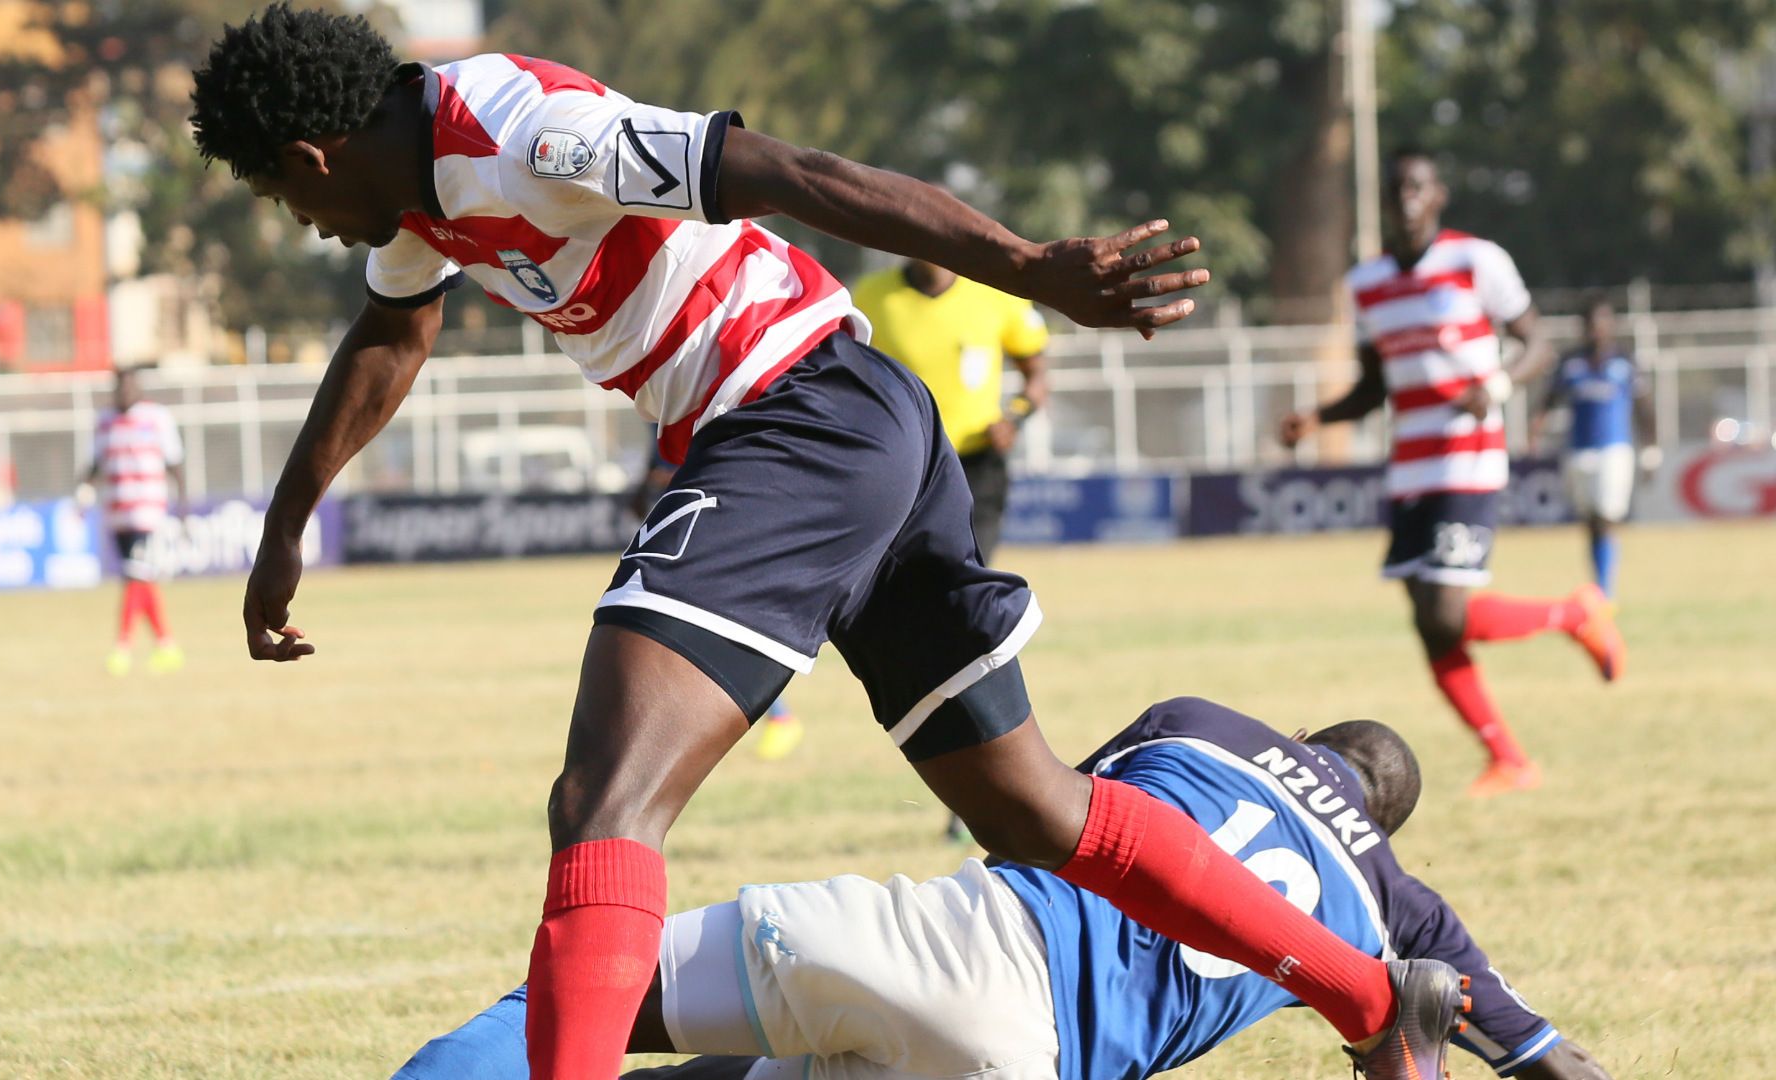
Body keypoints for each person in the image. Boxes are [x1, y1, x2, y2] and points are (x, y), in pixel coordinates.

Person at [192, 9, 1460, 1077]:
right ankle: (1370, 998)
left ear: (315, 152)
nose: (298, 221)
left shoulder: (523, 133)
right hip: (859, 424)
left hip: (791, 415)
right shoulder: (420, 202)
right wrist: (286, 527)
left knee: (604, 803)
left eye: (278, 192)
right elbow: (389, 338)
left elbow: (790, 173)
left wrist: (1027, 269)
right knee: (1037, 814)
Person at [392, 697, 1613, 1080]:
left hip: (975, 945)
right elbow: (1541, 1058)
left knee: (574, 1002)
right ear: (1386, 824)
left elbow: (1056, 824)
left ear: (1305, 740)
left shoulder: (1203, 723)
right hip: (1045, 1065)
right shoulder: (1403, 907)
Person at [1279, 149, 1626, 800]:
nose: (1406, 199)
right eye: (1396, 190)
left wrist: (1493, 386)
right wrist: (1316, 417)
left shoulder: (1475, 260)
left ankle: (1575, 614)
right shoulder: (1369, 284)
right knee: (1430, 623)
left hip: (1468, 454)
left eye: (1417, 187)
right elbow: (1372, 389)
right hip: (1410, 465)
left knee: (1445, 610)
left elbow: (1538, 344)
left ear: (1438, 196)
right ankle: (1510, 760)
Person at [852, 257, 1050, 562]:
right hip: (905, 464)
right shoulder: (871, 295)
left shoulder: (996, 294)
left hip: (977, 464)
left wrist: (1013, 418)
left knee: (968, 573)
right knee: (905, 580)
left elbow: (1037, 377)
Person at [632, 440, 802, 761]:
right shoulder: (657, 416)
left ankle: (780, 716)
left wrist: (660, 481)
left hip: (715, 531)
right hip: (680, 536)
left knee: (721, 627)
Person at [1536, 295, 1656, 599]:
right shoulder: (1570, 363)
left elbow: (1645, 407)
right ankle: (1599, 586)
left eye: (1602, 321)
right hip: (1578, 451)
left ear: (1611, 325)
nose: (1596, 329)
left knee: (1606, 518)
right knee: (1591, 521)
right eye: (1591, 323)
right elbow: (1549, 400)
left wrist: (1651, 450)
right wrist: (1534, 428)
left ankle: (1605, 591)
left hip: (1615, 450)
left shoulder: (1624, 362)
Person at [79, 367, 186, 676]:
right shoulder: (104, 421)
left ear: (138, 389)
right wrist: (83, 493)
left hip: (147, 512)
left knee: (134, 577)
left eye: (129, 387)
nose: (124, 393)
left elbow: (175, 461)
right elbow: (95, 462)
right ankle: (166, 645)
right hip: (117, 512)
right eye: (119, 388)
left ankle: (122, 647)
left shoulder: (156, 418)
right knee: (141, 579)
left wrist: (183, 504)